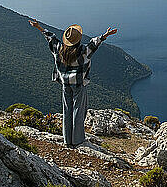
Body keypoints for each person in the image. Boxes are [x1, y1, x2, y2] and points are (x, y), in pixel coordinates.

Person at [28, 19, 117, 148]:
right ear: (78, 39)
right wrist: (105, 35)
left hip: (65, 84)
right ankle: (77, 140)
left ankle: (67, 140)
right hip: (79, 85)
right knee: (78, 111)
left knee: (67, 110)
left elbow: (50, 37)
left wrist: (38, 27)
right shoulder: (83, 51)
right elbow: (94, 43)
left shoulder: (59, 49)